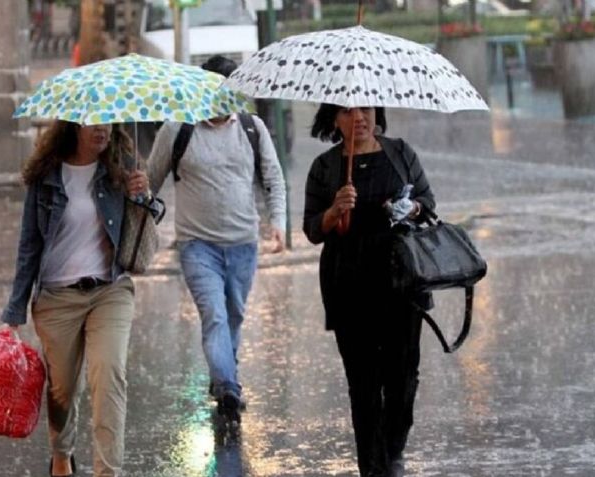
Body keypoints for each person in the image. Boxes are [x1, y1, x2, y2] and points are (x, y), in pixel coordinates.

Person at [1, 120, 154, 477]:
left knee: (109, 375)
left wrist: (141, 197)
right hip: (57, 297)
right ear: (74, 125)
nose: (102, 130)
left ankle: (108, 471)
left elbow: (140, 232)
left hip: (110, 290)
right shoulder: (47, 175)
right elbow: (29, 244)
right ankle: (61, 453)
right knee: (64, 390)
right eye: (92, 123)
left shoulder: (122, 166)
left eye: (107, 122)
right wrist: (15, 309)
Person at [146, 55, 287, 425]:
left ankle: (224, 374)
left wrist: (278, 223)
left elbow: (273, 177)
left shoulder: (252, 128)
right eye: (216, 89)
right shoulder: (178, 129)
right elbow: (151, 181)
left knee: (234, 316)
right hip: (197, 245)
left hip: (243, 243)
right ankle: (227, 387)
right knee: (215, 315)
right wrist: (135, 211)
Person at [302, 105, 436, 477]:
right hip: (349, 287)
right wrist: (334, 211)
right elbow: (312, 229)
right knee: (363, 384)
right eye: (347, 111)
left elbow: (428, 204)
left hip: (402, 284)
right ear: (334, 120)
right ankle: (373, 468)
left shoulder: (401, 153)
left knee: (403, 378)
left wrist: (411, 208)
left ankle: (392, 451)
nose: (359, 117)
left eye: (366, 108)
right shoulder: (325, 167)